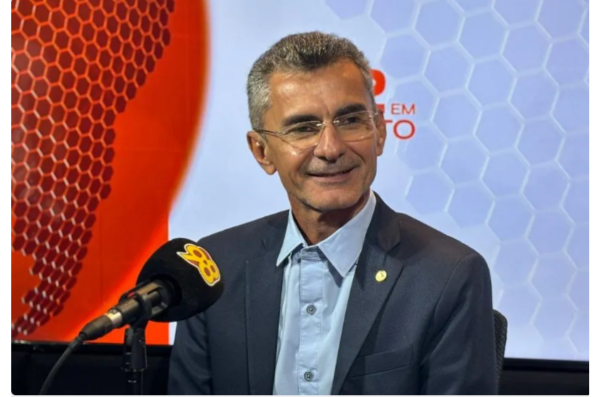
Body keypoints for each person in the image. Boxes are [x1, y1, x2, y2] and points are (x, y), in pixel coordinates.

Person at [168, 31, 497, 395]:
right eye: (302, 128)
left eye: (350, 121)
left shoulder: (448, 275)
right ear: (262, 151)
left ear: (380, 131)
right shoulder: (213, 269)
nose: (330, 148)